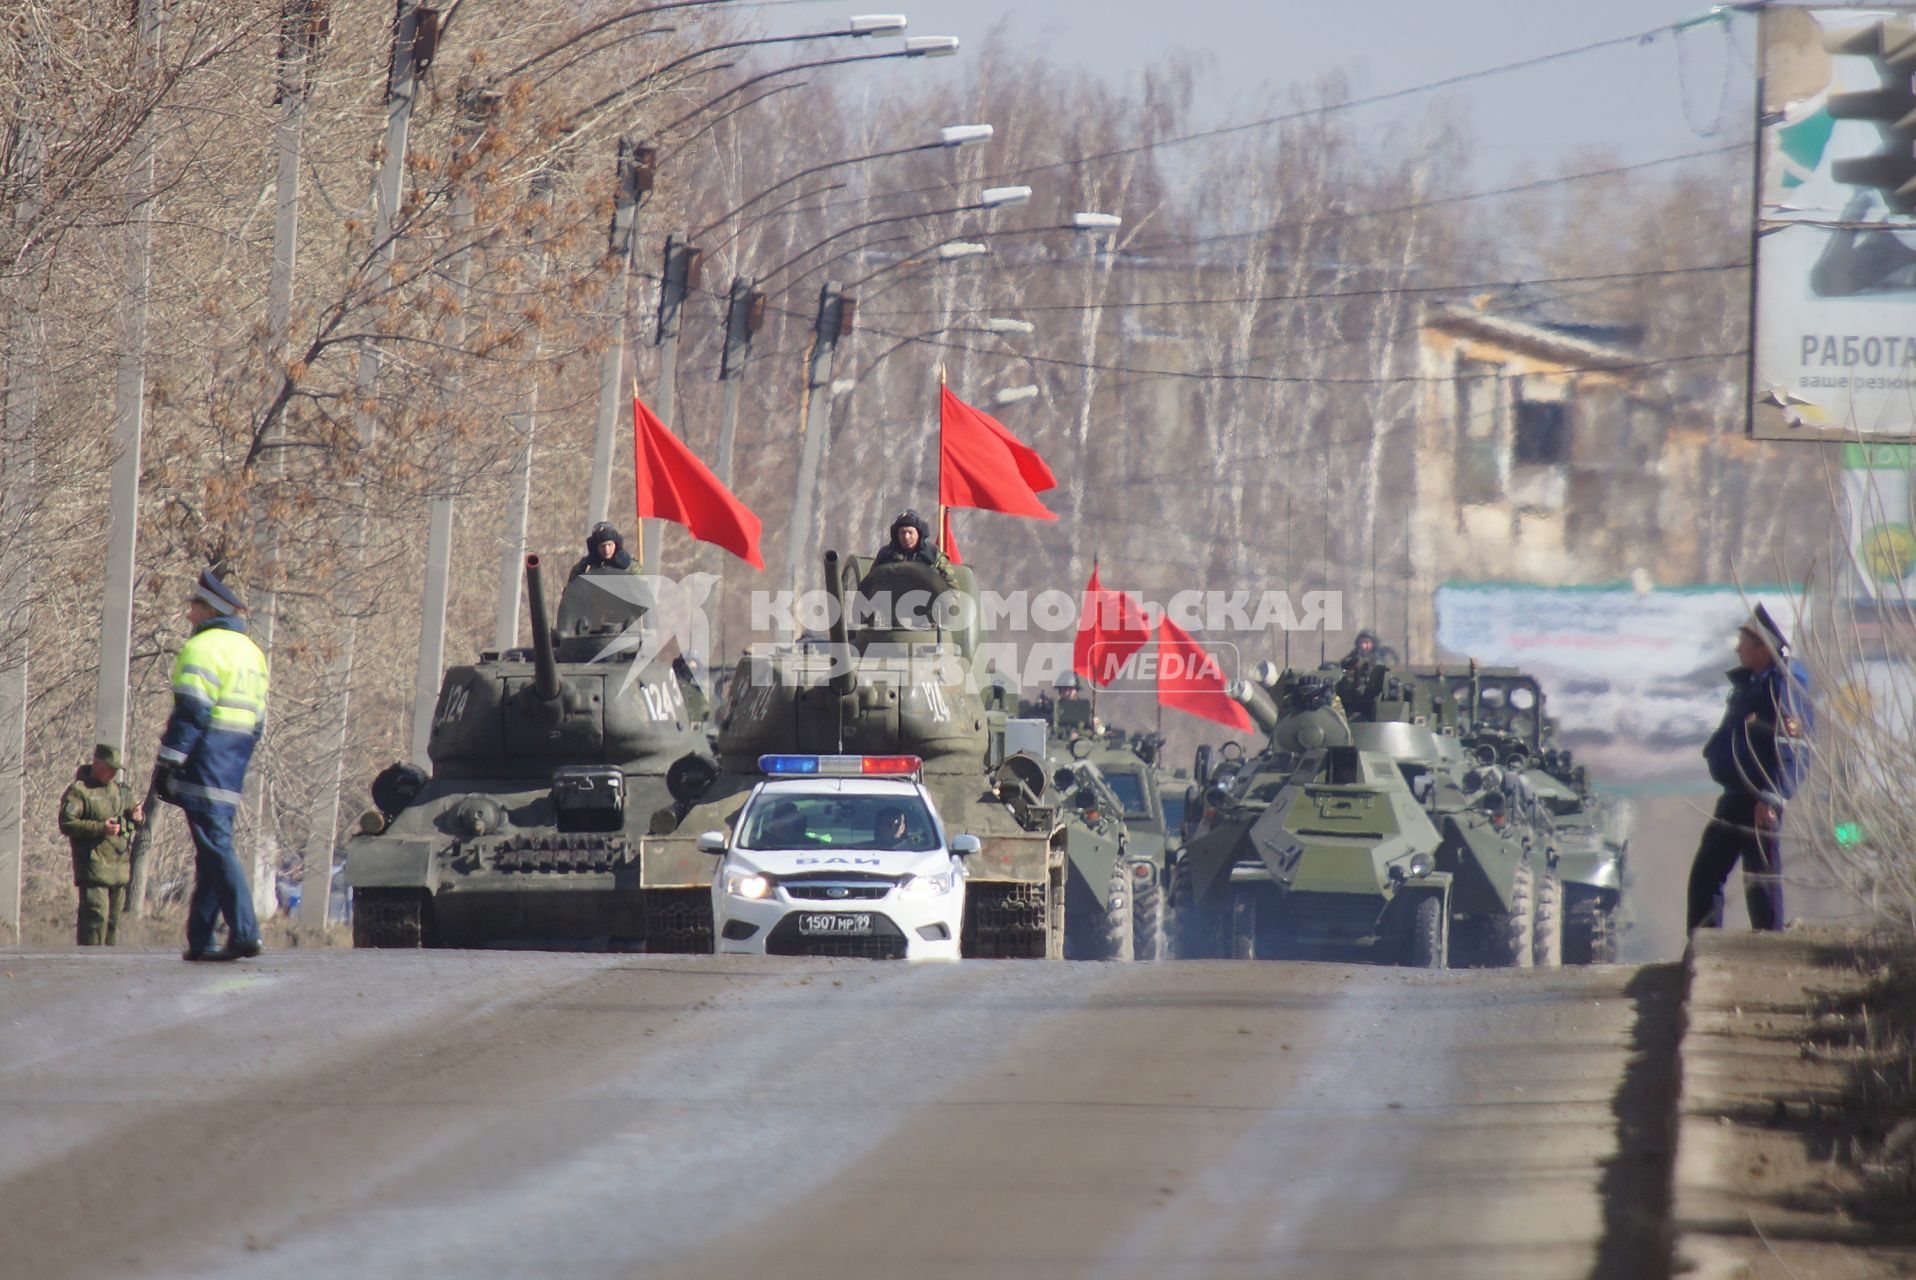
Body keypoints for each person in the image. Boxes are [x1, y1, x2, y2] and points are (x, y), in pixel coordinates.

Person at [152, 568, 270, 962]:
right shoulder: (252, 652)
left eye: (194, 606)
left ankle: (245, 932)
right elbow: (258, 723)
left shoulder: (201, 649)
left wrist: (169, 761)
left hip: (204, 758)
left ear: (210, 609)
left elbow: (192, 713)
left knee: (216, 847)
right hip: (232, 760)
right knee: (210, 847)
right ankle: (201, 938)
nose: (189, 614)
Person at [1687, 604, 1812, 933]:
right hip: (1737, 794)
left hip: (1760, 797)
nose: (1737, 648)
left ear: (1762, 647)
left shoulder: (1785, 683)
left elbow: (1794, 748)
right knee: (1706, 874)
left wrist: (1772, 797)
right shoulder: (1751, 685)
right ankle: (1704, 946)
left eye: (1743, 641)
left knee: (1761, 880)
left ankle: (1769, 949)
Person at [58, 744, 144, 946]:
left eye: (116, 769)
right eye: (109, 768)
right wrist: (99, 828)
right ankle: (90, 965)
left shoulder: (121, 792)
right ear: (97, 764)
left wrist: (138, 818)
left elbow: (134, 818)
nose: (113, 773)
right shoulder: (80, 792)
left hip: (119, 869)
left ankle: (110, 968)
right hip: (94, 868)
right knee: (96, 919)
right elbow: (67, 823)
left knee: (113, 924)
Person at [873, 509, 954, 581]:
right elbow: (870, 582)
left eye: (910, 532)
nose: (906, 537)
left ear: (919, 533)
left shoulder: (934, 556)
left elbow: (952, 589)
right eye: (902, 532)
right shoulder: (886, 554)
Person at [569, 522, 636, 580]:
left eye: (609, 545)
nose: (606, 550)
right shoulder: (585, 567)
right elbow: (571, 590)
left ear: (616, 544)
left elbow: (643, 587)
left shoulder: (629, 566)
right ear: (595, 547)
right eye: (602, 546)